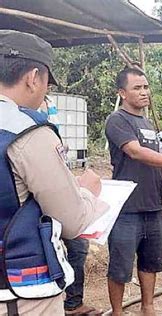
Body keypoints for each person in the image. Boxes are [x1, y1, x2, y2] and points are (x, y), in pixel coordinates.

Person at [0, 30, 107, 315]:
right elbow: (71, 220)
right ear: (33, 78)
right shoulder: (27, 131)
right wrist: (87, 191)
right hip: (19, 291)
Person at [105, 67, 162, 316]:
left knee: (150, 263)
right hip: (128, 208)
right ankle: (117, 312)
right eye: (137, 88)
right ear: (122, 93)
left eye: (146, 87)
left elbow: (154, 155)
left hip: (153, 206)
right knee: (120, 266)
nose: (144, 92)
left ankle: (148, 307)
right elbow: (135, 152)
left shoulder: (145, 122)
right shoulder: (117, 120)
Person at [38, 96, 101, 315]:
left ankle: (73, 303)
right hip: (40, 195)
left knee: (77, 245)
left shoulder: (47, 104)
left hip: (58, 188)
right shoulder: (22, 118)